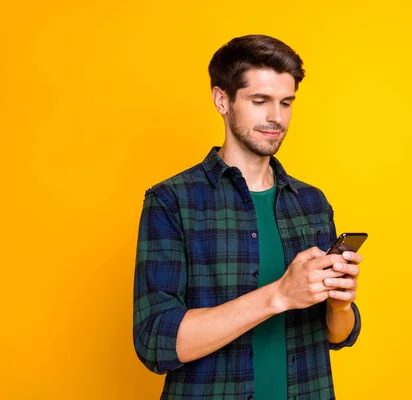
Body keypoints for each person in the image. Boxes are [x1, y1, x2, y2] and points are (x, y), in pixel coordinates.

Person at [133, 34, 363, 400]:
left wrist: (340, 304)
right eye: (260, 101)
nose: (276, 117)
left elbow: (338, 335)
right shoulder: (172, 201)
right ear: (222, 100)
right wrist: (278, 295)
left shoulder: (311, 202)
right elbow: (156, 340)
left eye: (286, 103)